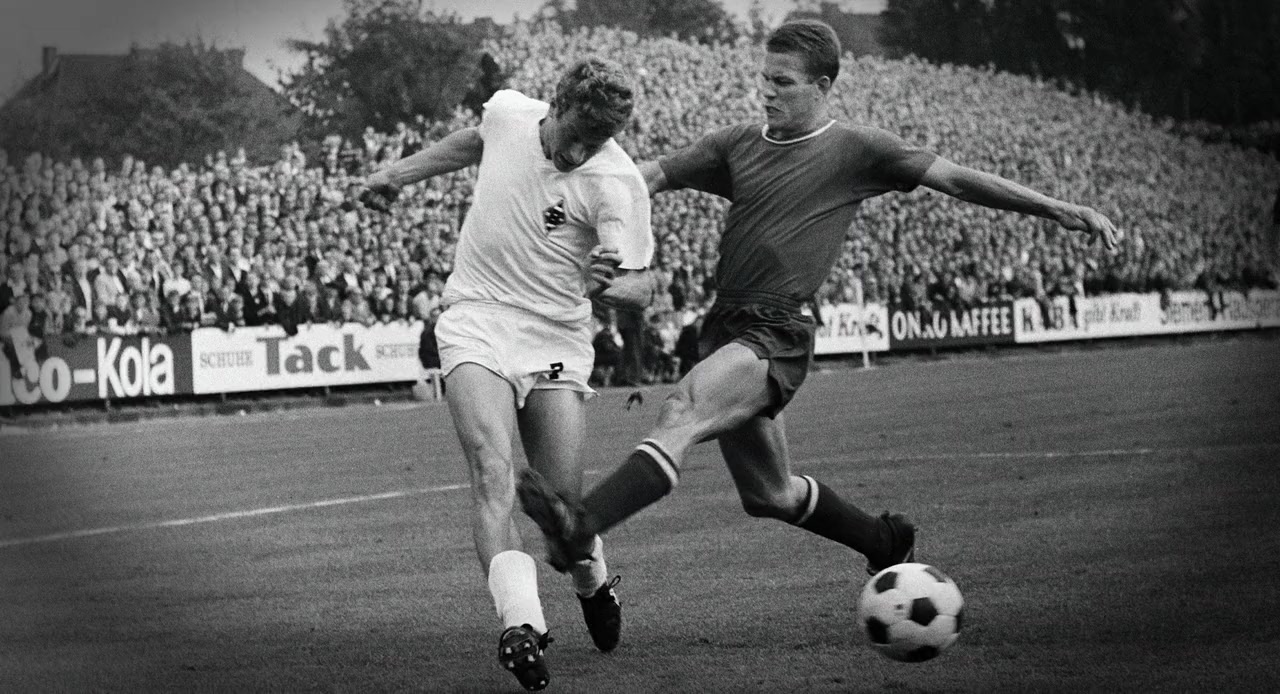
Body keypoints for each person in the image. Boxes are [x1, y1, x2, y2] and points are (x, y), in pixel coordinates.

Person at [517, 19, 1121, 615]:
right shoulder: (736, 143)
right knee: (769, 494)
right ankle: (884, 540)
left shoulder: (858, 149)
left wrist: (1057, 208)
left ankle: (581, 525)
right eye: (764, 78)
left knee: (682, 409)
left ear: (822, 85)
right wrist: (557, 200)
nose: (766, 91)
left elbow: (957, 181)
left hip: (777, 329)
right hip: (725, 326)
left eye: (782, 82)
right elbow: (643, 178)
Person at [355, 58, 656, 691]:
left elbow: (643, 286)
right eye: (575, 134)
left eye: (596, 141)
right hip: (476, 318)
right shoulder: (510, 113)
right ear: (554, 106)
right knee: (492, 473)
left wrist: (610, 285)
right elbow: (474, 140)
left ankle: (592, 577)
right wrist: (396, 174)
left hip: (556, 335)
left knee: (561, 514)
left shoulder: (615, 181)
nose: (580, 151)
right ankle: (521, 625)